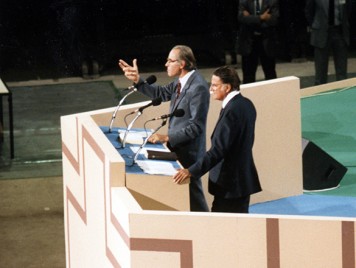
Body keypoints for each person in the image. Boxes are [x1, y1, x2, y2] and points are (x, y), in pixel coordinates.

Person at [118, 45, 210, 212]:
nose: (166, 64)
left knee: (194, 195)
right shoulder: (182, 82)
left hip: (190, 152)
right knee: (189, 196)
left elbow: (196, 127)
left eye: (170, 60)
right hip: (179, 147)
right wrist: (137, 80)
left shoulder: (198, 87)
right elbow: (160, 93)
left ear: (182, 64)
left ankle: (208, 228)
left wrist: (167, 137)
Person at [173, 66, 262, 213]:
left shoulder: (231, 111)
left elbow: (218, 150)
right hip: (242, 180)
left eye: (214, 85)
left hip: (229, 184)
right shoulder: (246, 104)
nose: (210, 89)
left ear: (227, 87)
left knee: (222, 230)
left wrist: (191, 171)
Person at [305, 0, 352, 85]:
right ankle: (320, 93)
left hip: (339, 32)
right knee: (320, 72)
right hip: (321, 32)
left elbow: (349, 10)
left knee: (342, 71)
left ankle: (342, 92)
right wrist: (317, 25)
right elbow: (308, 11)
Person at [236, 0, 279, 84]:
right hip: (249, 42)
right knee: (248, 76)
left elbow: (274, 20)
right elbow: (242, 18)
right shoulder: (244, 1)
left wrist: (251, 19)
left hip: (266, 42)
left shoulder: (271, 1)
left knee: (270, 74)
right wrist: (261, 18)